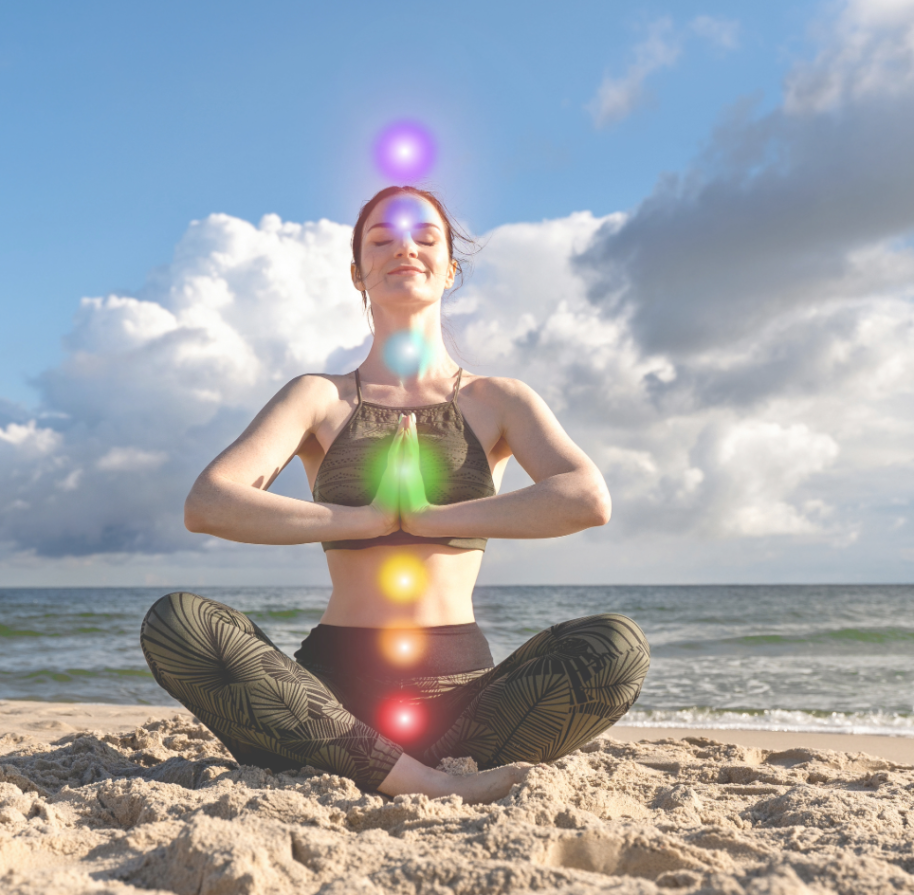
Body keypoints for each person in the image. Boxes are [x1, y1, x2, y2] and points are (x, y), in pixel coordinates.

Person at [140, 185, 650, 804]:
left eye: (424, 237)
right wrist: (368, 520)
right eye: (381, 240)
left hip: (464, 707)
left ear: (450, 269)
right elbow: (210, 503)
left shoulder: (497, 400)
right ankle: (425, 781)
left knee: (616, 647)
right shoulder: (319, 398)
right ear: (358, 272)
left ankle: (395, 772)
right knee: (175, 623)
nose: (403, 248)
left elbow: (585, 498)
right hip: (326, 703)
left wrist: (433, 517)